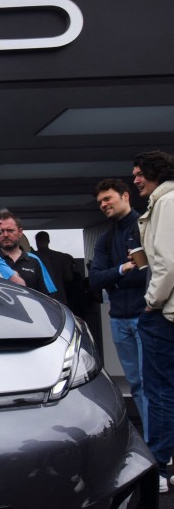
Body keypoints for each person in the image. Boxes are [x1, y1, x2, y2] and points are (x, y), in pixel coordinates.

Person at [89, 178, 148, 440]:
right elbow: (95, 280)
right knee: (136, 385)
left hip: (147, 317)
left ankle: (160, 446)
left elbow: (147, 274)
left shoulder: (145, 228)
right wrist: (123, 268)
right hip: (119, 320)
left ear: (125, 196)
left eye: (108, 199)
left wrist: (113, 276)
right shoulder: (105, 239)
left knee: (152, 384)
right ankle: (153, 443)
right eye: (100, 202)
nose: (103, 205)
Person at [131, 150, 174, 493]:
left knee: (159, 390)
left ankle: (160, 467)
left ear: (154, 173)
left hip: (164, 313)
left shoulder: (167, 202)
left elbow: (168, 262)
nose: (134, 180)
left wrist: (150, 303)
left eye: (138, 174)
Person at [0, 213, 51, 294]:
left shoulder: (35, 261)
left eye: (10, 230)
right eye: (1, 231)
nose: (5, 235)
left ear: (20, 232)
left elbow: (48, 296)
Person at [34, 231, 77, 307]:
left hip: (39, 296)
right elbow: (69, 277)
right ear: (48, 241)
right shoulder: (61, 257)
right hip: (59, 296)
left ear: (36, 241)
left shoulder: (32, 257)